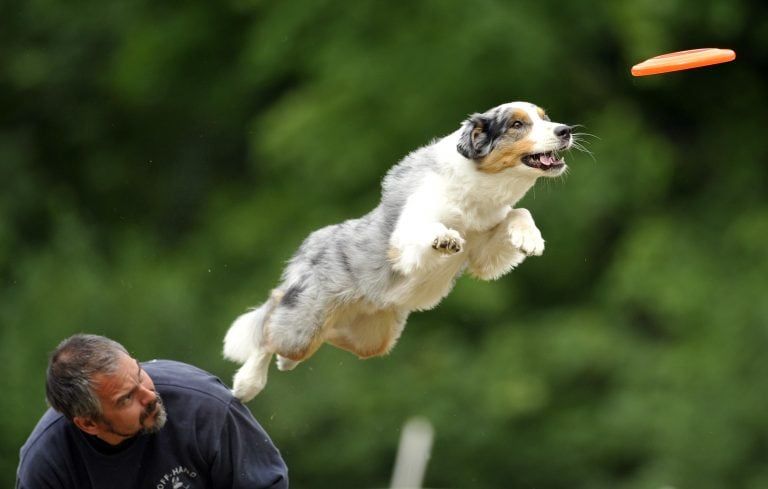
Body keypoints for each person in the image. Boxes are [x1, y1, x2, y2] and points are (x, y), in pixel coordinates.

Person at [16, 334, 289, 488]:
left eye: (139, 374)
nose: (149, 396)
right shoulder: (46, 464)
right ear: (88, 424)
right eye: (126, 399)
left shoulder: (205, 408)